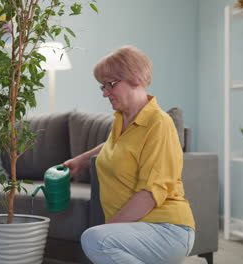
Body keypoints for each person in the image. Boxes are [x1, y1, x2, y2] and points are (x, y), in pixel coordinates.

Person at [63, 46, 195, 264]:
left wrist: (107, 232)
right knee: (99, 241)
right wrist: (82, 160)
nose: (105, 92)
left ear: (135, 78)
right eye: (102, 86)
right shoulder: (121, 118)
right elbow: (115, 146)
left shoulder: (159, 124)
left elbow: (150, 193)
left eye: (110, 84)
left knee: (95, 240)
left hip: (166, 229)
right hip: (135, 230)